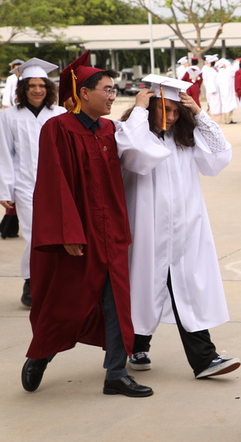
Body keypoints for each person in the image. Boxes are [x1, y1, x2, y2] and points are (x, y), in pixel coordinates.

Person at [21, 50, 152, 398]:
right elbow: (52, 183)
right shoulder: (57, 129)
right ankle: (41, 354)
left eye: (113, 90)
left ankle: (116, 373)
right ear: (84, 93)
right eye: (107, 90)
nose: (112, 96)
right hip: (78, 235)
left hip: (112, 233)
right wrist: (68, 233)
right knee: (67, 303)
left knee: (115, 303)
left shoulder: (110, 129)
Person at [115, 75, 240, 379]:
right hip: (147, 231)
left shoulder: (183, 139)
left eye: (175, 111)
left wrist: (198, 113)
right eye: (165, 109)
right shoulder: (133, 134)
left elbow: (220, 155)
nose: (171, 117)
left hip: (185, 232)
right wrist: (140, 110)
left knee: (187, 291)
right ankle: (137, 346)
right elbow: (134, 154)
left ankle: (204, 359)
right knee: (144, 288)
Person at [0, 59, 67, 308]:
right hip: (25, 186)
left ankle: (52, 282)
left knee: (58, 235)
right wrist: (5, 189)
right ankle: (31, 282)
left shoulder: (59, 114)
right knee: (33, 234)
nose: (37, 90)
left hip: (57, 186)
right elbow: (5, 154)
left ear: (48, 88)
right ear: (23, 88)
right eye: (32, 86)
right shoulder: (8, 116)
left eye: (42, 85)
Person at [202, 55, 221, 122]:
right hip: (212, 88)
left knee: (215, 102)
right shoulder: (209, 70)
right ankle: (212, 116)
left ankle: (216, 116)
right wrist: (213, 89)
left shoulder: (212, 70)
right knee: (212, 102)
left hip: (215, 87)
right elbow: (210, 81)